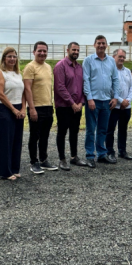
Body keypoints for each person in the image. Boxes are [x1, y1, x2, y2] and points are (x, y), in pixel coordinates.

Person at [83, 35, 119, 168]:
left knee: (103, 129)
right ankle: (90, 156)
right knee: (91, 129)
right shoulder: (88, 60)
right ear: (94, 45)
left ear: (106, 45)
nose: (101, 45)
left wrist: (115, 97)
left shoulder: (111, 61)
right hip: (93, 101)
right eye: (99, 43)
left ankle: (102, 154)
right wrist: (89, 98)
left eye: (103, 43)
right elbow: (86, 80)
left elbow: (115, 80)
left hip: (107, 101)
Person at [23, 41, 58, 174]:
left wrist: (52, 104)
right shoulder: (30, 67)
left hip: (48, 107)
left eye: (44, 51)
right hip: (36, 107)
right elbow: (27, 89)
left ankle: (43, 160)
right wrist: (31, 108)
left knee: (45, 135)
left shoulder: (48, 67)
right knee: (34, 135)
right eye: (40, 51)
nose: (42, 53)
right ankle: (34, 162)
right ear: (34, 52)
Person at [54, 42, 88, 170]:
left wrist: (80, 103)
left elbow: (82, 86)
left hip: (77, 106)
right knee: (62, 132)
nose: (76, 52)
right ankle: (62, 159)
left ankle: (74, 157)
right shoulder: (60, 66)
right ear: (67, 50)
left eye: (78, 50)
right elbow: (60, 87)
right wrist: (72, 103)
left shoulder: (79, 67)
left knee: (74, 131)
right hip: (64, 106)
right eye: (74, 49)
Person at [0, 47, 26, 181]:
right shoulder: (0, 73)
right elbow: (0, 93)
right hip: (5, 108)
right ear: (4, 58)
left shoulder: (18, 74)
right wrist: (13, 109)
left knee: (17, 139)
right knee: (6, 139)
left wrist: (23, 108)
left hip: (19, 107)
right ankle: (5, 172)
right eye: (9, 56)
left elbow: (23, 93)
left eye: (14, 56)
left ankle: (14, 168)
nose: (12, 59)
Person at [105, 49, 132, 161]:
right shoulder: (110, 71)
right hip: (114, 106)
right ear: (114, 57)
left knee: (123, 129)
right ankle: (110, 152)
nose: (122, 58)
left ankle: (122, 151)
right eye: (120, 56)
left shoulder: (127, 71)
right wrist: (120, 100)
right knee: (110, 130)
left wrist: (127, 100)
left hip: (126, 107)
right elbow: (110, 88)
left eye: (123, 57)